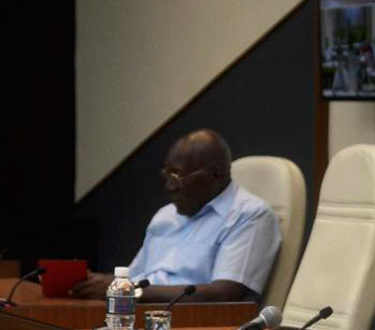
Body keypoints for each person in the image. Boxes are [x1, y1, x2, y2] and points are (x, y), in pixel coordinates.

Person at [71, 129, 281, 302]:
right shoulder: (166, 215)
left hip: (196, 323)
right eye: (166, 175)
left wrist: (126, 291)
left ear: (215, 175)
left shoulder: (250, 215)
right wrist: (95, 282)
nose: (170, 187)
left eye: (177, 176)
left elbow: (225, 294)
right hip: (142, 313)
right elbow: (137, 277)